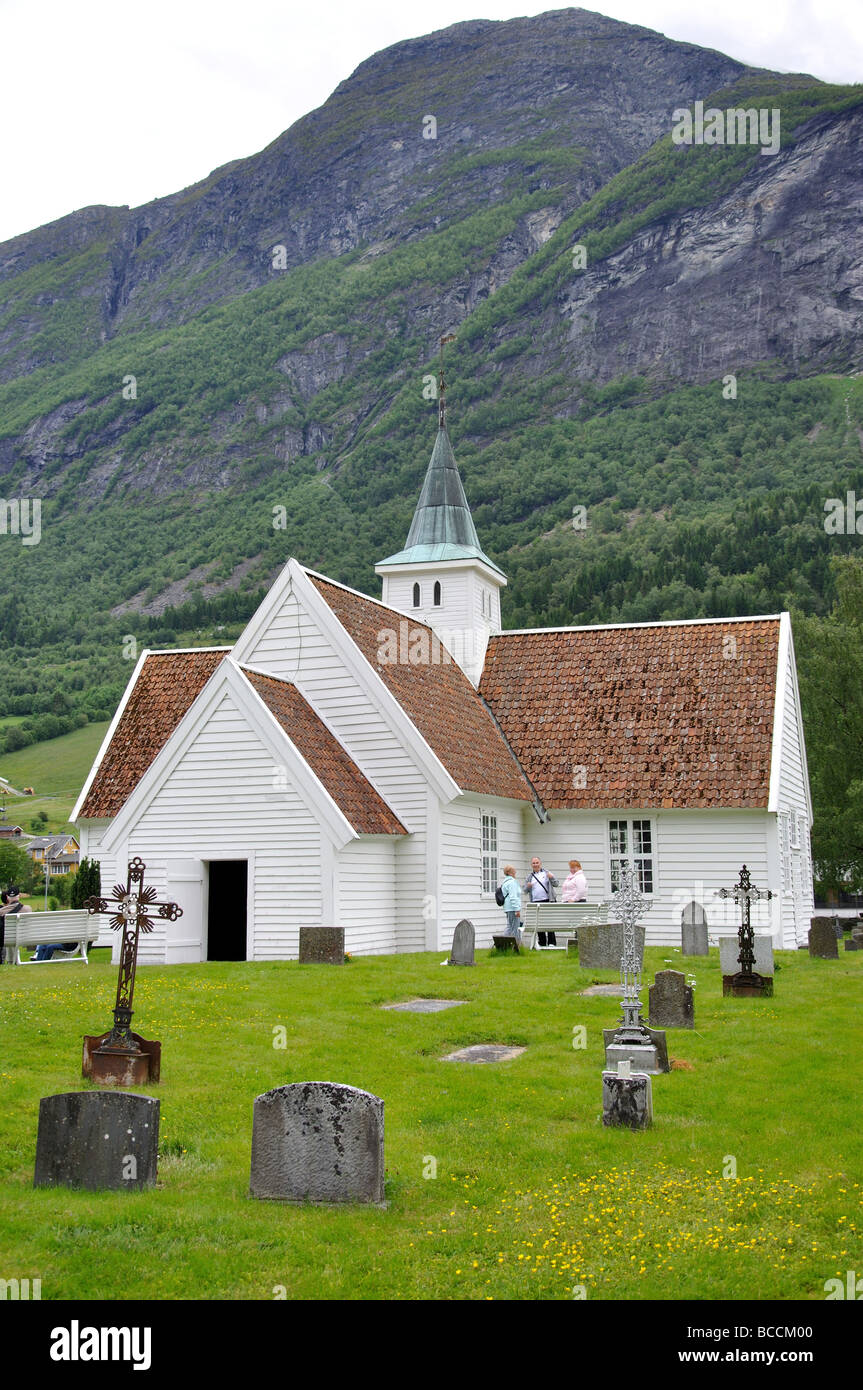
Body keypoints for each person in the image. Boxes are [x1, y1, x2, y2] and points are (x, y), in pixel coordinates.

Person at [523, 856, 559, 946]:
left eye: (537, 862)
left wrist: (551, 877)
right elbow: (524, 891)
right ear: (531, 865)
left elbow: (556, 884)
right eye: (533, 863)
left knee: (549, 922)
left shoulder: (547, 873)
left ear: (540, 863)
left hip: (547, 900)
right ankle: (542, 942)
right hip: (535, 902)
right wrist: (528, 886)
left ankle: (552, 942)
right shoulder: (529, 877)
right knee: (538, 923)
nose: (535, 865)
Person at [500, 865, 522, 944]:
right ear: (509, 872)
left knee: (510, 926)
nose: (515, 872)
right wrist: (517, 909)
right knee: (514, 928)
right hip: (513, 908)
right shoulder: (512, 882)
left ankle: (503, 944)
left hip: (507, 908)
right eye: (514, 870)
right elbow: (513, 897)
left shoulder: (505, 882)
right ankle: (515, 946)